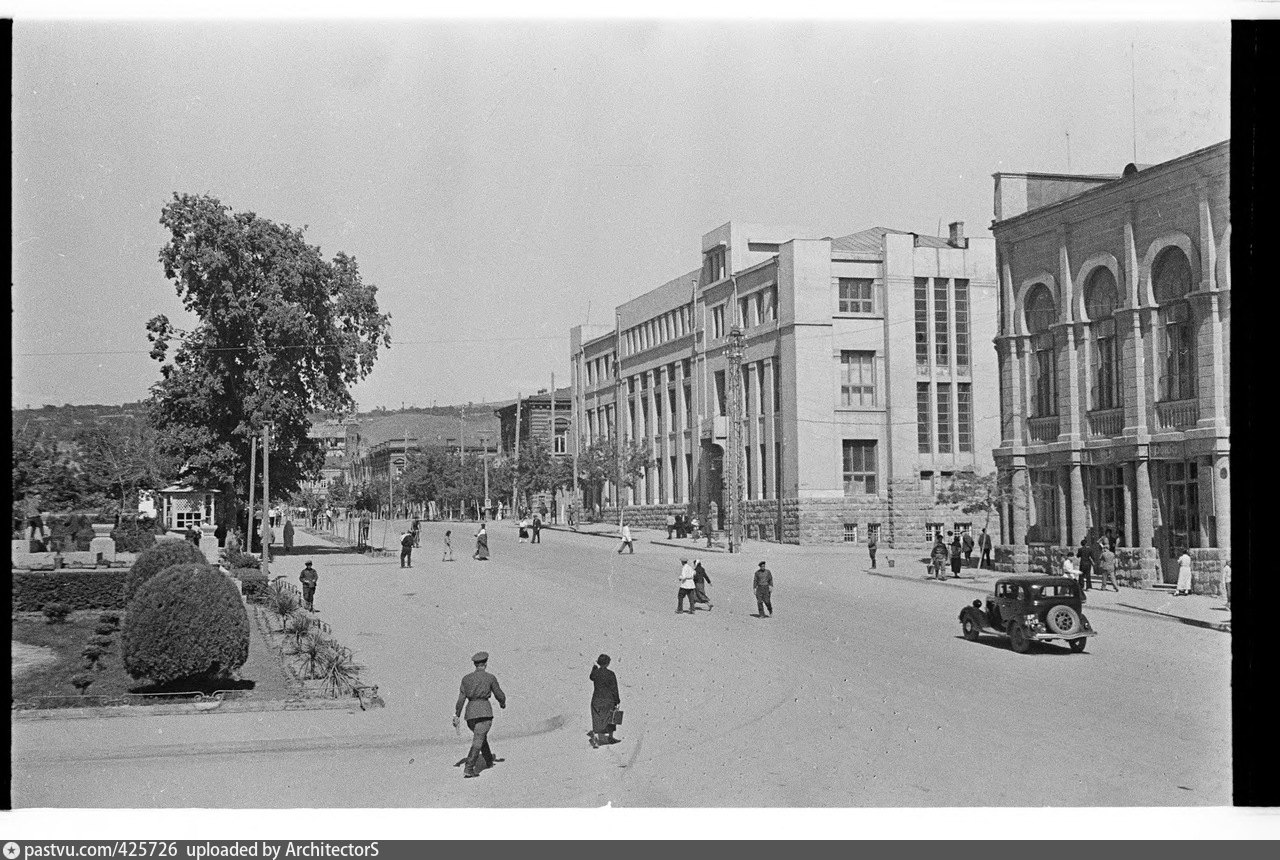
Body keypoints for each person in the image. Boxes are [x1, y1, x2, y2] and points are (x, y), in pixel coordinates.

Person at [453, 652, 506, 778]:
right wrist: (502, 703)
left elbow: (461, 699)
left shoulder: (466, 679)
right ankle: (469, 768)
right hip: (485, 713)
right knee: (478, 739)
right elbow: (499, 694)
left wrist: (456, 714)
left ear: (475, 664)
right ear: (485, 664)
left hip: (470, 714)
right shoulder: (490, 678)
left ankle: (488, 761)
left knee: (480, 736)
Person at [589, 654, 621, 748]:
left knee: (598, 717)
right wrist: (617, 699)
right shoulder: (611, 674)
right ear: (607, 663)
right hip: (608, 699)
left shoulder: (595, 673)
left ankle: (599, 737)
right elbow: (614, 688)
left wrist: (594, 669)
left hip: (597, 699)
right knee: (612, 715)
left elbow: (591, 677)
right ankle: (610, 737)